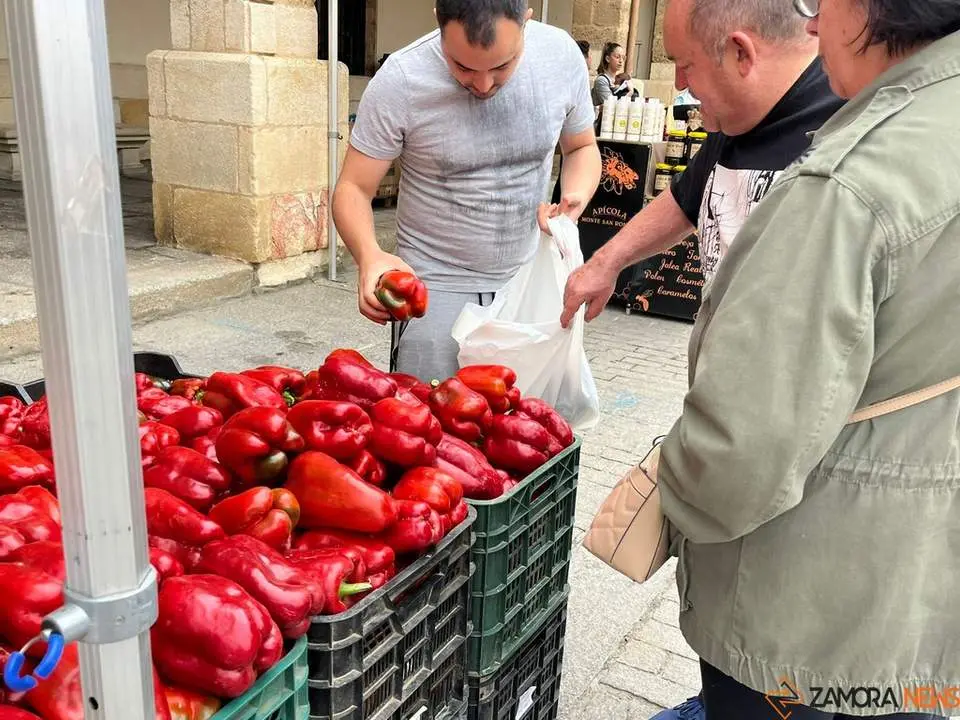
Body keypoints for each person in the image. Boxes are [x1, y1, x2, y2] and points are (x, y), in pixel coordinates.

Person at [654, 0, 960, 717]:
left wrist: (667, 484)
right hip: (922, 603)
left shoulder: (852, 182)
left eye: (823, 2)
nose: (815, 24)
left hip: (812, 627)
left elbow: (737, 455)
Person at [332, 0, 601, 383]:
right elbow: (353, 188)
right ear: (439, 23)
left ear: (526, 19)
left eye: (501, 66)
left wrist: (574, 198)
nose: (483, 84)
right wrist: (370, 255)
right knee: (428, 428)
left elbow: (581, 148)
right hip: (434, 291)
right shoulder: (402, 78)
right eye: (462, 67)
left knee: (521, 428)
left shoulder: (560, 56)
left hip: (526, 283)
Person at [561, 0, 845, 332]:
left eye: (686, 64)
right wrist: (604, 263)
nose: (680, 83)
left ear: (741, 53)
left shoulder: (845, 125)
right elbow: (685, 199)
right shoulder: (737, 116)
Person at [591, 41, 626, 106]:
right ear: (607, 58)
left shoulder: (621, 80)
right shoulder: (601, 80)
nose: (621, 61)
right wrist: (630, 92)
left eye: (623, 58)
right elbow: (611, 106)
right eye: (617, 57)